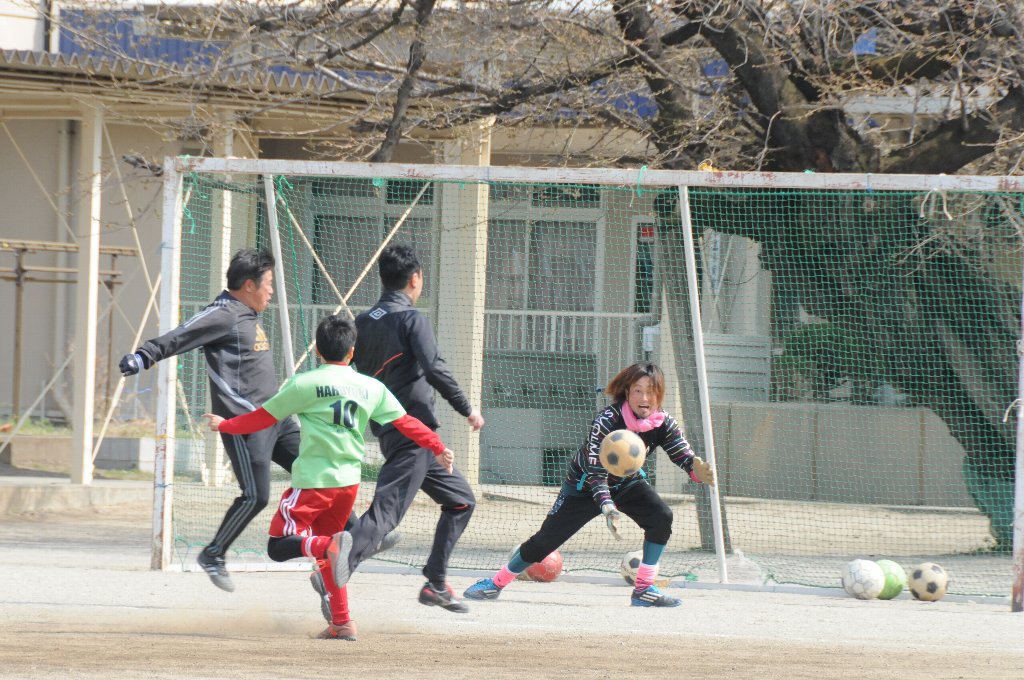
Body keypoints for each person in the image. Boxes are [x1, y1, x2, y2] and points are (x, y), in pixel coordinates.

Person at [118, 249, 395, 594]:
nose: (271, 291)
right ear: (249, 285)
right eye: (268, 284)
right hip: (246, 424)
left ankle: (358, 537)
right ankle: (213, 554)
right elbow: (182, 334)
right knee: (256, 496)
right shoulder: (222, 313)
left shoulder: (247, 314)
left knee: (323, 474)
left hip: (277, 419)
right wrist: (144, 356)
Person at [202, 314, 454, 640]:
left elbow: (263, 418)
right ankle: (342, 622)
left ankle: (329, 546)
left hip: (314, 482)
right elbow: (406, 423)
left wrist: (225, 425)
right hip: (347, 484)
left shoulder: (304, 384)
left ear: (318, 351)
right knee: (329, 557)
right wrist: (437, 446)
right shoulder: (370, 387)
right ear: (352, 351)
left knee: (279, 545)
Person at [463, 362, 715, 607]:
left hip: (627, 483)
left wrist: (696, 471)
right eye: (638, 390)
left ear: (659, 394)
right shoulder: (607, 420)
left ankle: (644, 589)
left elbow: (682, 454)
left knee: (661, 516)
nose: (644, 398)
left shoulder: (664, 423)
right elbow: (596, 472)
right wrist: (606, 505)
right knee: (544, 542)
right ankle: (494, 583)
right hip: (583, 488)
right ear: (627, 392)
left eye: (650, 391)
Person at [329, 243, 484, 613]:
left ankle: (435, 584)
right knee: (386, 513)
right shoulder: (412, 319)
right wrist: (467, 409)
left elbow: (353, 375)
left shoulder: (362, 323)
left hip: (399, 434)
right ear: (415, 279)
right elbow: (434, 368)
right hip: (412, 433)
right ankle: (333, 569)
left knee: (461, 500)